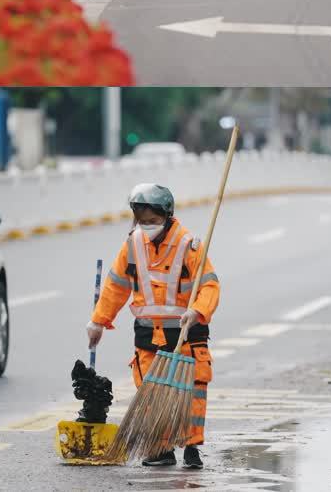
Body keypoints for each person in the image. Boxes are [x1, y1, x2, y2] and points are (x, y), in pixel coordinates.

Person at [86, 183, 219, 469]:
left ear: (167, 216)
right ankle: (161, 449)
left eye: (153, 221)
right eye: (142, 221)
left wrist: (197, 310)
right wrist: (98, 321)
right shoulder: (132, 244)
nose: (147, 226)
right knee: (150, 393)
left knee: (191, 393)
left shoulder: (188, 245)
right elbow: (116, 287)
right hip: (149, 336)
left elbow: (209, 285)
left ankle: (192, 448)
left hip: (186, 334)